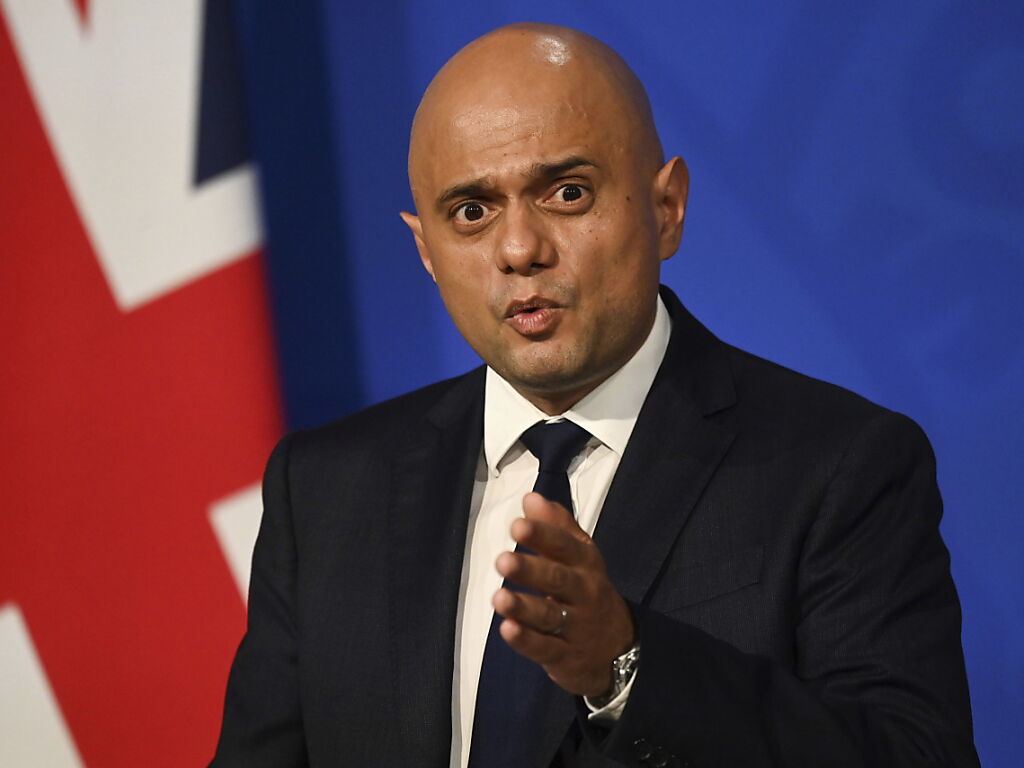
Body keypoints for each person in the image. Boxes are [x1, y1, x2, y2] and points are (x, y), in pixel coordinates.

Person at [211, 23, 979, 768]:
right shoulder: (327, 490)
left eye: (567, 193)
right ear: (425, 250)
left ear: (667, 208)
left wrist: (626, 665)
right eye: (472, 212)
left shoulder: (838, 466)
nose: (520, 250)